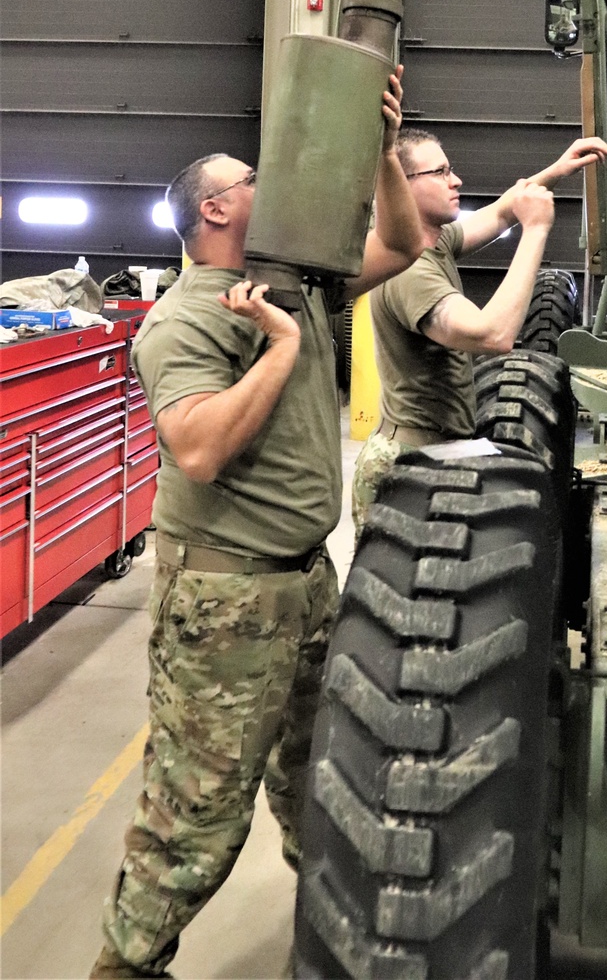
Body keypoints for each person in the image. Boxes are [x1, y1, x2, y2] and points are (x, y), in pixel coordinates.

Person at [91, 67, 422, 980]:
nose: (268, 184)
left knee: (322, 786)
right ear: (213, 214)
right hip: (228, 600)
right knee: (193, 822)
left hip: (305, 581)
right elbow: (196, 448)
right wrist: (278, 351)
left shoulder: (299, 282)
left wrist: (386, 152)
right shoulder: (182, 321)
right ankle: (127, 967)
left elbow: (403, 241)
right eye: (249, 179)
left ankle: (326, 946)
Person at [352, 130, 607, 528]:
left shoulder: (434, 242)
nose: (455, 181)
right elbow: (491, 335)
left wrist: (558, 170)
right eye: (440, 172)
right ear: (402, 187)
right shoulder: (412, 272)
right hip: (407, 466)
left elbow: (502, 211)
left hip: (437, 448)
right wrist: (537, 230)